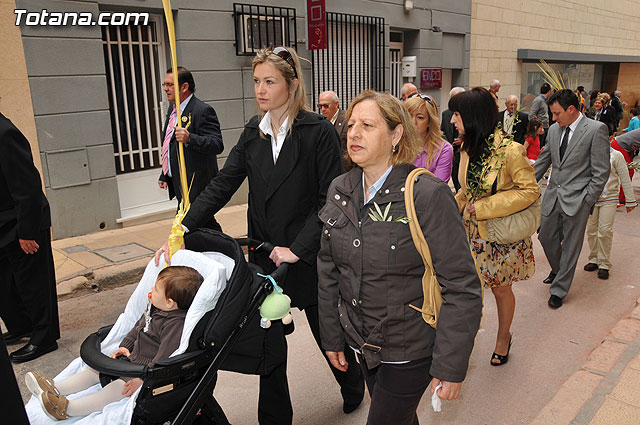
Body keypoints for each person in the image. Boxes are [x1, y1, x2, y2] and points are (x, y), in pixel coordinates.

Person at [154, 47, 363, 425]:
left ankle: (353, 386)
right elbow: (221, 184)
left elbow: (331, 201)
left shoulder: (318, 132)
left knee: (327, 334)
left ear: (292, 84)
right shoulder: (254, 131)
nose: (261, 90)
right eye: (256, 81)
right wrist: (181, 228)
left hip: (309, 254)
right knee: (270, 344)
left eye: (270, 81)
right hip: (267, 255)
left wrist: (297, 249)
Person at [318, 90, 482, 425]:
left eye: (367, 125)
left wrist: (450, 364)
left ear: (395, 135)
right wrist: (332, 334)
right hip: (363, 342)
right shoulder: (340, 189)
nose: (354, 133)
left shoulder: (427, 195)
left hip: (410, 347)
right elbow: (329, 269)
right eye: (351, 125)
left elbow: (462, 286)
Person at [26, 266, 203, 421]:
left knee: (118, 388)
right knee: (96, 370)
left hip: (144, 370)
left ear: (170, 303)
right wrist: (126, 345)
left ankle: (67, 409)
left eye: (156, 289)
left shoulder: (175, 324)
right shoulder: (155, 307)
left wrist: (143, 379)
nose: (151, 290)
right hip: (131, 360)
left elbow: (164, 356)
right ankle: (54, 387)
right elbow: (138, 327)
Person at [450, 87, 539, 366]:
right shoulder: (466, 148)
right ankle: (466, 341)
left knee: (501, 289)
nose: (452, 120)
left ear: (472, 116)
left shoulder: (511, 151)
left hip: (501, 234)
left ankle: (503, 338)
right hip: (470, 232)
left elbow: (530, 191)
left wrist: (486, 207)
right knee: (469, 290)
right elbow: (467, 189)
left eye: (456, 114)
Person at [533, 89, 610, 309]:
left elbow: (601, 171)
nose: (553, 119)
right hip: (553, 196)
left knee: (571, 247)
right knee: (545, 237)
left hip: (579, 199)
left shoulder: (596, 130)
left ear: (571, 109)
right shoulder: (555, 130)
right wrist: (523, 184)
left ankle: (559, 289)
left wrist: (588, 200)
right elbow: (543, 160)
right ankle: (558, 270)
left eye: (557, 114)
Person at [0, 113, 60, 363]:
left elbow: (27, 186)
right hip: (3, 224)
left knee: (33, 284)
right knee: (6, 284)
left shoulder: (4, 133)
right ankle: (22, 325)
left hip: (22, 223)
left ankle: (44, 337)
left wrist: (26, 231)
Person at [158, 66, 224, 231]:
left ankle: (225, 250)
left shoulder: (202, 111)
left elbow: (216, 144)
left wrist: (190, 138)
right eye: (164, 84)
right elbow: (170, 143)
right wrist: (166, 174)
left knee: (186, 226)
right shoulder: (173, 109)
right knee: (202, 226)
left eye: (170, 84)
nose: (165, 89)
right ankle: (223, 251)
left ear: (184, 87)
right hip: (181, 182)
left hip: (196, 183)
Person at [584, 148, 637, 280]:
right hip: (591, 199)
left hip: (610, 198)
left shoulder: (616, 155)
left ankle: (604, 264)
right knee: (591, 230)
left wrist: (630, 201)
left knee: (605, 230)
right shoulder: (588, 153)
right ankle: (594, 258)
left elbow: (624, 177)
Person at [405, 95, 453, 182]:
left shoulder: (444, 150)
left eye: (420, 117)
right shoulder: (395, 144)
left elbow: (436, 188)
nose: (413, 122)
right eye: (409, 116)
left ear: (430, 122)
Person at [318, 90, 351, 171]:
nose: (322, 109)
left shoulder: (347, 119)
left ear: (336, 104)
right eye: (320, 106)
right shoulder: (320, 121)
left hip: (344, 170)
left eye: (326, 106)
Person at [441, 87, 465, 190]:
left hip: (463, 152)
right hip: (452, 152)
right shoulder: (446, 114)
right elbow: (442, 131)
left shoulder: (468, 115)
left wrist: (463, 140)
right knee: (455, 177)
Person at [611, 128, 640, 205]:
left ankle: (625, 197)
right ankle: (623, 198)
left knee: (629, 170)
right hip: (619, 146)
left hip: (626, 147)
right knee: (629, 171)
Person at [529, 83, 552, 148]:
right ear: (549, 91)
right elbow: (532, 114)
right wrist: (536, 127)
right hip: (540, 128)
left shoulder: (545, 100)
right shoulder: (538, 100)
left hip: (545, 126)